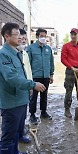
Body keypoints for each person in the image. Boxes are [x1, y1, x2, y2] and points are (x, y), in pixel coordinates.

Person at [0, 23, 46, 154]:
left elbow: (23, 74)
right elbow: (11, 78)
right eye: (17, 34)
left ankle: (15, 152)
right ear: (7, 36)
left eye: (21, 35)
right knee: (8, 136)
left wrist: (28, 88)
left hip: (21, 99)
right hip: (11, 102)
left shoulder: (17, 53)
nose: (20, 37)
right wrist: (32, 84)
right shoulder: (3, 54)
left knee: (15, 132)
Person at [27, 28, 55, 124]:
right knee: (33, 96)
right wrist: (29, 77)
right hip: (35, 76)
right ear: (37, 36)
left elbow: (51, 62)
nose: (43, 38)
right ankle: (32, 114)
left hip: (45, 76)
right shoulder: (31, 48)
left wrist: (51, 74)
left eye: (44, 36)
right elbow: (28, 63)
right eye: (41, 36)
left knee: (44, 95)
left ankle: (43, 112)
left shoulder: (48, 48)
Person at [61, 28, 78, 118]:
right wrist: (71, 67)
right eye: (72, 34)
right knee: (69, 90)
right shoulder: (66, 46)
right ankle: (67, 109)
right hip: (70, 71)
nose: (73, 36)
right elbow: (63, 59)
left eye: (75, 34)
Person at [17, 29, 32, 144]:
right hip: (16, 89)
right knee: (14, 117)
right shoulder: (9, 55)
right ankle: (14, 137)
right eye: (20, 38)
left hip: (26, 87)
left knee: (23, 113)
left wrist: (30, 85)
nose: (23, 41)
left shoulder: (25, 53)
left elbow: (28, 71)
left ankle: (20, 134)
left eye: (25, 39)